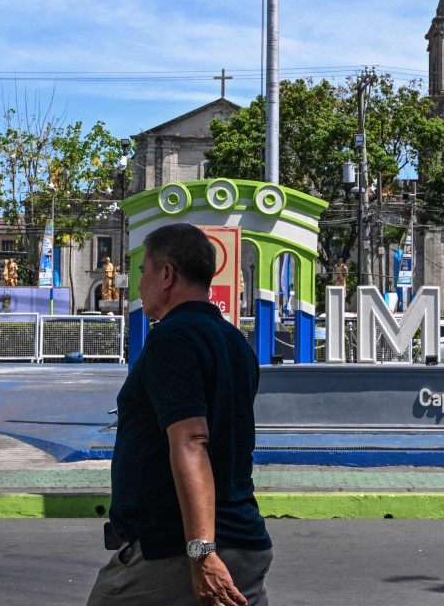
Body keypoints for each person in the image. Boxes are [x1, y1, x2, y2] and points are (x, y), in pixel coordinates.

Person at [88, 223, 272, 606]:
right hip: (244, 541)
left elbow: (191, 439)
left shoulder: (172, 339)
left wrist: (201, 552)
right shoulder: (235, 342)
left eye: (144, 272)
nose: (138, 285)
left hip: (172, 550)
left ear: (167, 274)